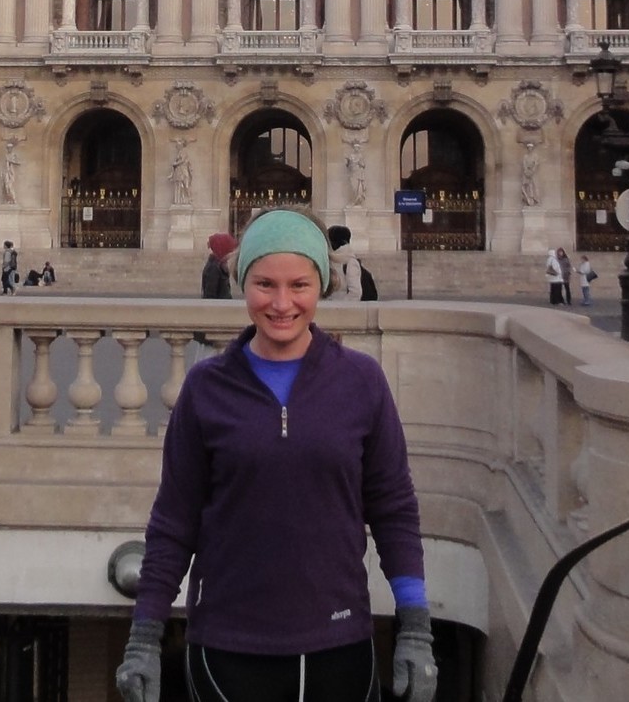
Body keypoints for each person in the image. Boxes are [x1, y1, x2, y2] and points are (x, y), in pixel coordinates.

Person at [116, 207, 437, 702]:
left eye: (299, 285)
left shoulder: (361, 381)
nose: (282, 303)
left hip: (340, 641)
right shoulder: (205, 388)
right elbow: (174, 522)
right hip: (227, 647)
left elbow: (393, 509)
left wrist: (415, 627)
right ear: (242, 284)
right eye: (265, 284)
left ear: (322, 285)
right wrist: (144, 637)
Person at [326, 223, 364, 300]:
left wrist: (339, 305)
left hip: (341, 306)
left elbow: (355, 293)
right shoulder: (328, 259)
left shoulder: (350, 262)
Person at [201, 232, 236, 300]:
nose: (230, 254)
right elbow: (210, 296)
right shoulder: (213, 268)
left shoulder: (219, 266)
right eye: (229, 251)